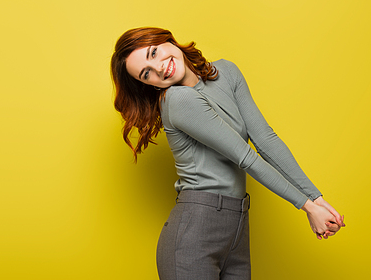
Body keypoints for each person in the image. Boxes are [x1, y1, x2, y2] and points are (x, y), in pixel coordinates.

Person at [110, 27, 345, 280]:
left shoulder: (227, 73)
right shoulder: (177, 100)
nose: (159, 68)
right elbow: (244, 156)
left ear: (167, 40)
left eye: (154, 52)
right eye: (146, 74)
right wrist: (308, 207)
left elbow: (265, 140)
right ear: (147, 84)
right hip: (195, 232)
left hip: (237, 228)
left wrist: (317, 200)